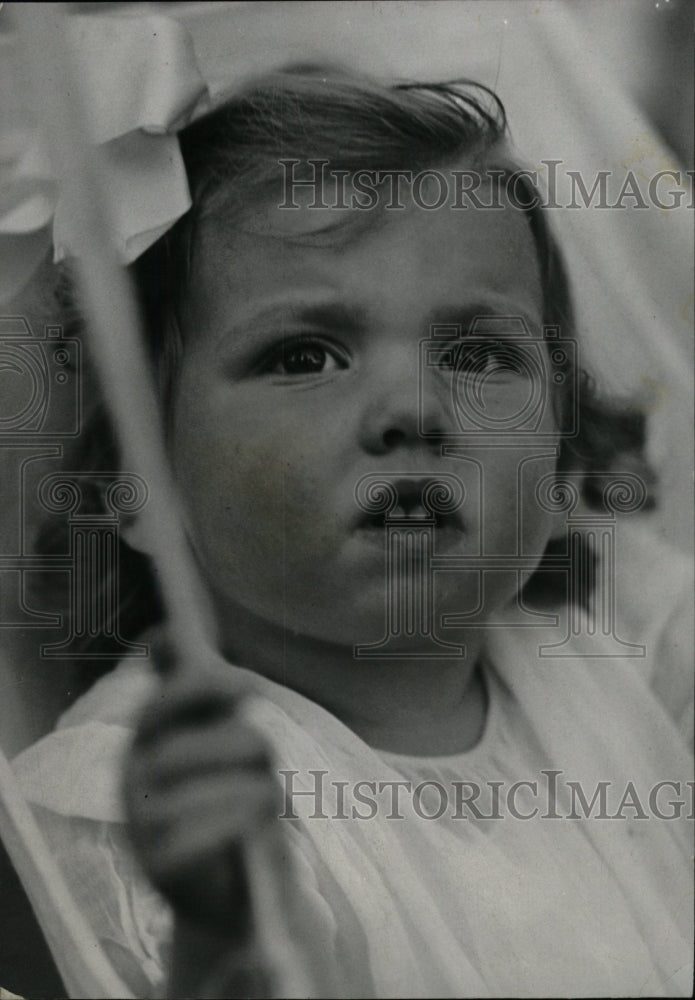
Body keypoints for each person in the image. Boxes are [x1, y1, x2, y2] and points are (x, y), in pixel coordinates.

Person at [11, 68, 693, 998]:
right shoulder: (148, 810)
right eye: (304, 355)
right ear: (135, 477)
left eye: (480, 353)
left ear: (561, 440)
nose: (414, 408)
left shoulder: (633, 661)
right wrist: (225, 955)